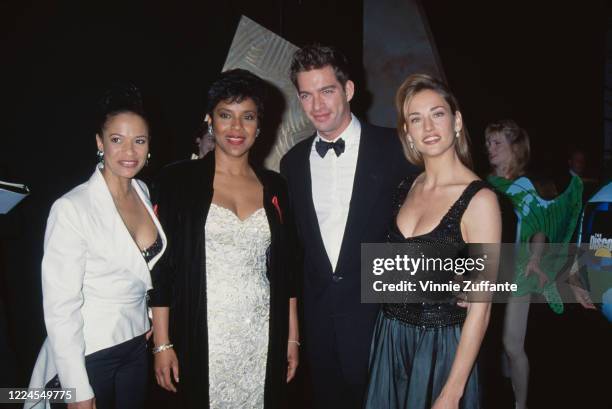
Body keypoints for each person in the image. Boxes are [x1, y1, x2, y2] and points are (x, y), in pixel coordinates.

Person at [149, 68, 299, 409]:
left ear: (260, 125)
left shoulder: (275, 186)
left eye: (247, 117)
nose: (236, 128)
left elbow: (286, 268)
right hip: (199, 330)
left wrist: (292, 337)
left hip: (262, 330)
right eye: (225, 116)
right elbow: (161, 268)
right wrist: (162, 343)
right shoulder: (177, 180)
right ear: (209, 120)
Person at [280, 44, 416, 408]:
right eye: (307, 95)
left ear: (349, 90)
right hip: (320, 325)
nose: (317, 105)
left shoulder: (398, 149)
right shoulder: (291, 164)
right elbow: (294, 250)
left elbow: (436, 222)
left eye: (327, 91)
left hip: (385, 320)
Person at [363, 74, 501, 409]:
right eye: (416, 118)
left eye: (437, 114)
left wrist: (451, 393)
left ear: (456, 121)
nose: (428, 127)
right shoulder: (405, 188)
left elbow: (481, 312)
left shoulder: (481, 200)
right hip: (390, 340)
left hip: (440, 350)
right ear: (407, 133)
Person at [25, 85, 167, 409]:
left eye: (139, 140)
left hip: (135, 346)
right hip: (90, 352)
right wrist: (76, 387)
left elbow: (143, 270)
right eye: (117, 139)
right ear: (100, 143)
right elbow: (61, 307)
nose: (129, 151)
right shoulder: (72, 207)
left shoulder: (143, 190)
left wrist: (144, 317)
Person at [485, 119, 583, 409]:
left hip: (520, 272)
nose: (489, 149)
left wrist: (538, 260)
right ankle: (504, 386)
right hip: (489, 269)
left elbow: (539, 229)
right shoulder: (485, 183)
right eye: (488, 143)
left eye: (497, 143)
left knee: (512, 344)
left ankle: (521, 404)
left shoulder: (525, 187)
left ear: (515, 148)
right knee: (492, 343)